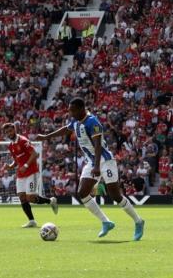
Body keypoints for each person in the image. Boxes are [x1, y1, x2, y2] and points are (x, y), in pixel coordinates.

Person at [36, 98, 145, 241]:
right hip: (92, 161)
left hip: (105, 161)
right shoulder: (76, 121)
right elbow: (66, 129)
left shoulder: (92, 122)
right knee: (82, 193)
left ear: (81, 108)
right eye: (70, 109)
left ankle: (138, 221)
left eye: (73, 109)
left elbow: (98, 145)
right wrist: (47, 136)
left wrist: (96, 166)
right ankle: (106, 222)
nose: (70, 112)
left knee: (115, 195)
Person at [2, 122, 58, 228]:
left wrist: (26, 165)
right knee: (22, 198)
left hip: (32, 172)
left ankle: (50, 200)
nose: (9, 133)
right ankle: (32, 221)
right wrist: (10, 166)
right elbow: (16, 161)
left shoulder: (23, 140)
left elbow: (34, 154)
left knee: (30, 198)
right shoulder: (11, 146)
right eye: (6, 132)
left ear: (14, 129)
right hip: (21, 174)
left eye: (10, 131)